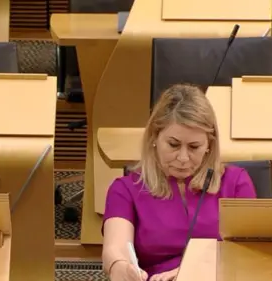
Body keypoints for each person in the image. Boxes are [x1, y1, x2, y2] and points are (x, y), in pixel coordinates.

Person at [101, 84, 257, 281]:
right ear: (154, 138)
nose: (183, 157)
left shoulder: (236, 183)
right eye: (173, 145)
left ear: (209, 145)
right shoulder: (124, 189)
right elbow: (115, 250)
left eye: (194, 147)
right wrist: (121, 268)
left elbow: (248, 253)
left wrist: (191, 272)